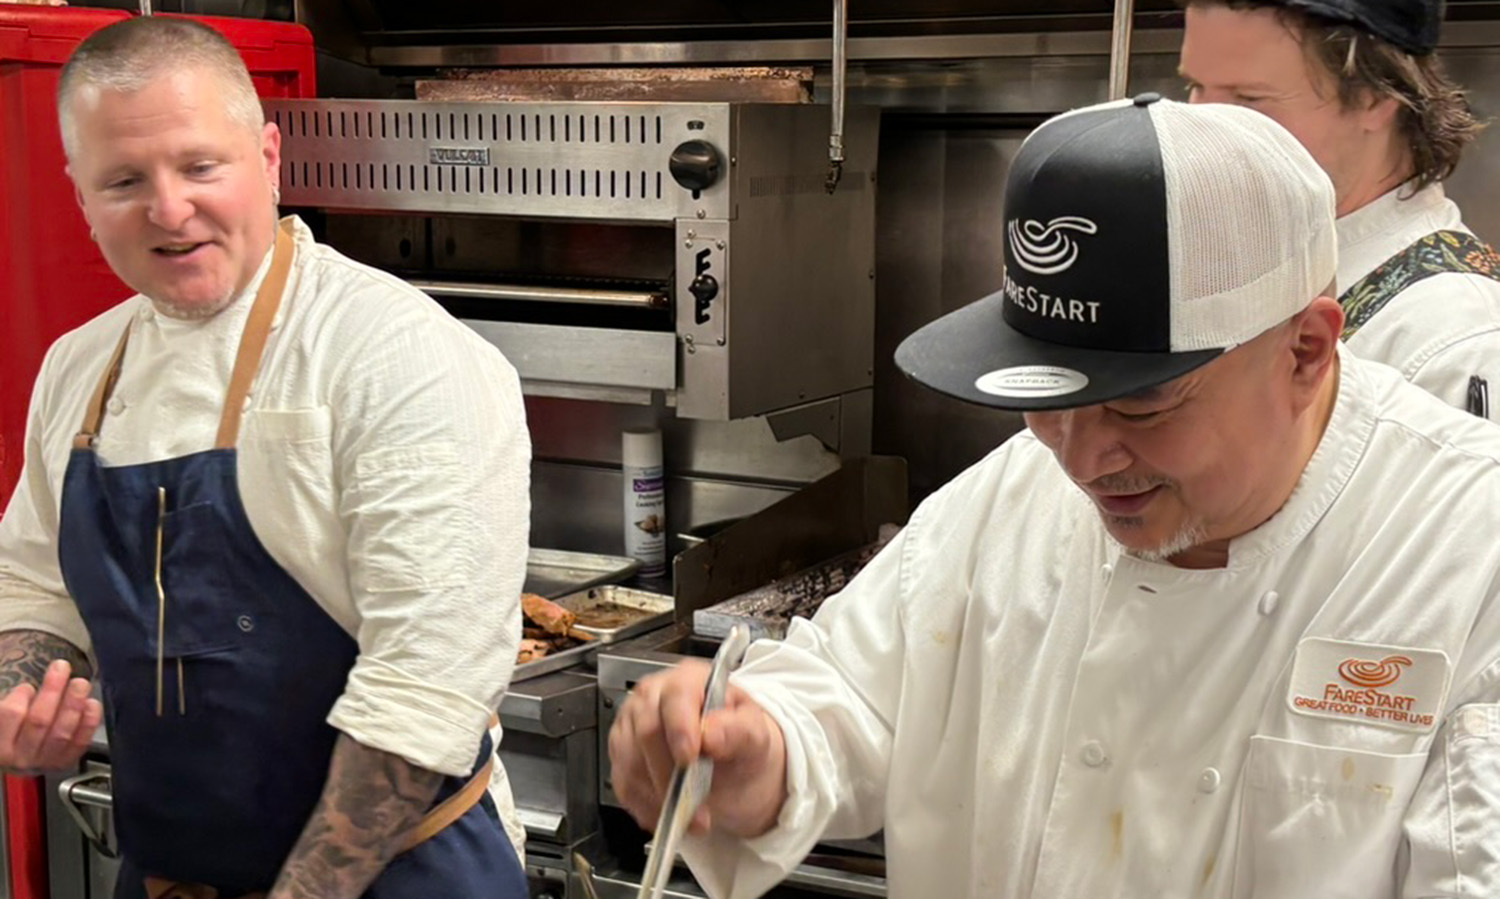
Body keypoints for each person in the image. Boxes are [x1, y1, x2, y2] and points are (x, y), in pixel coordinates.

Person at [609, 95, 1500, 898]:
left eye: (1141, 402)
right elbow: (852, 693)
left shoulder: (1463, 549)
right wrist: (761, 751)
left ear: (1305, 349)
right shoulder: (1010, 497)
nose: (1082, 459)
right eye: (1051, 397)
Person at [0, 16, 532, 899]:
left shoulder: (394, 352)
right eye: (125, 179)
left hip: (399, 877)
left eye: (200, 166)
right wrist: (27, 683)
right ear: (79, 194)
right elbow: (32, 585)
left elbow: (424, 683)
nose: (170, 210)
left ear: (269, 156)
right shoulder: (78, 369)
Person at [1179, 0, 1500, 419]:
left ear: (1375, 97)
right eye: (1195, 87)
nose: (1197, 128)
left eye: (1249, 99)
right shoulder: (1255, 259)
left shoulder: (1453, 341)